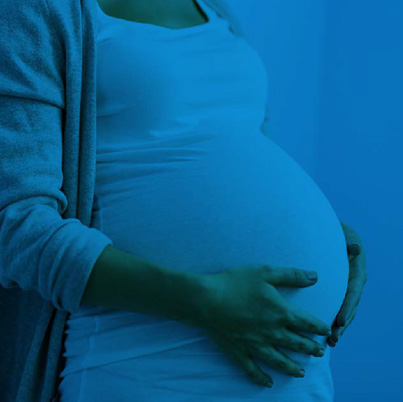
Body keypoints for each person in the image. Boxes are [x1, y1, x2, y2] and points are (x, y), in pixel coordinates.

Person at [0, 0, 350, 400]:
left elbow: (233, 149)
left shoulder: (216, 12)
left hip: (291, 368)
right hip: (145, 361)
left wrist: (336, 240)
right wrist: (202, 301)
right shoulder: (36, 11)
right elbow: (16, 225)